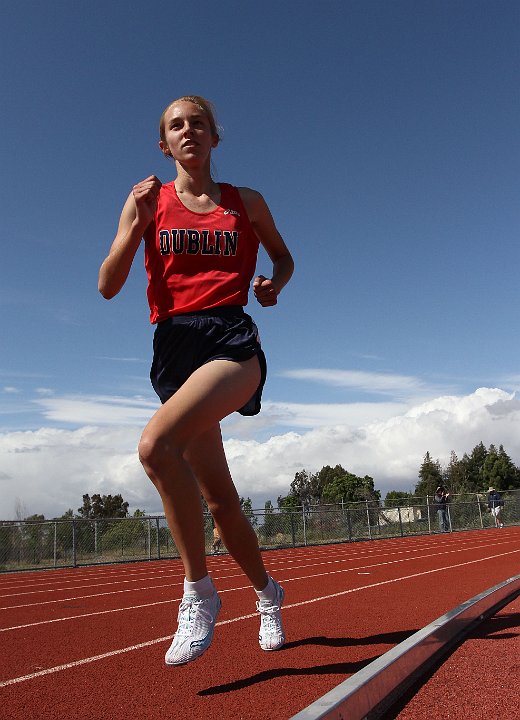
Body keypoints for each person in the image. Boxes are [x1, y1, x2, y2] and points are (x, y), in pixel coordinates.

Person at [98, 95, 294, 666]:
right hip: (174, 348)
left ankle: (197, 594)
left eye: (199, 124)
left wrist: (273, 286)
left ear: (214, 137)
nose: (189, 132)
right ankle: (268, 594)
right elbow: (109, 284)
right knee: (222, 503)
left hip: (232, 343)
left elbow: (284, 259)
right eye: (177, 126)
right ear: (164, 144)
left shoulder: (245, 202)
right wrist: (134, 225)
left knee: (156, 446)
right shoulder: (147, 201)